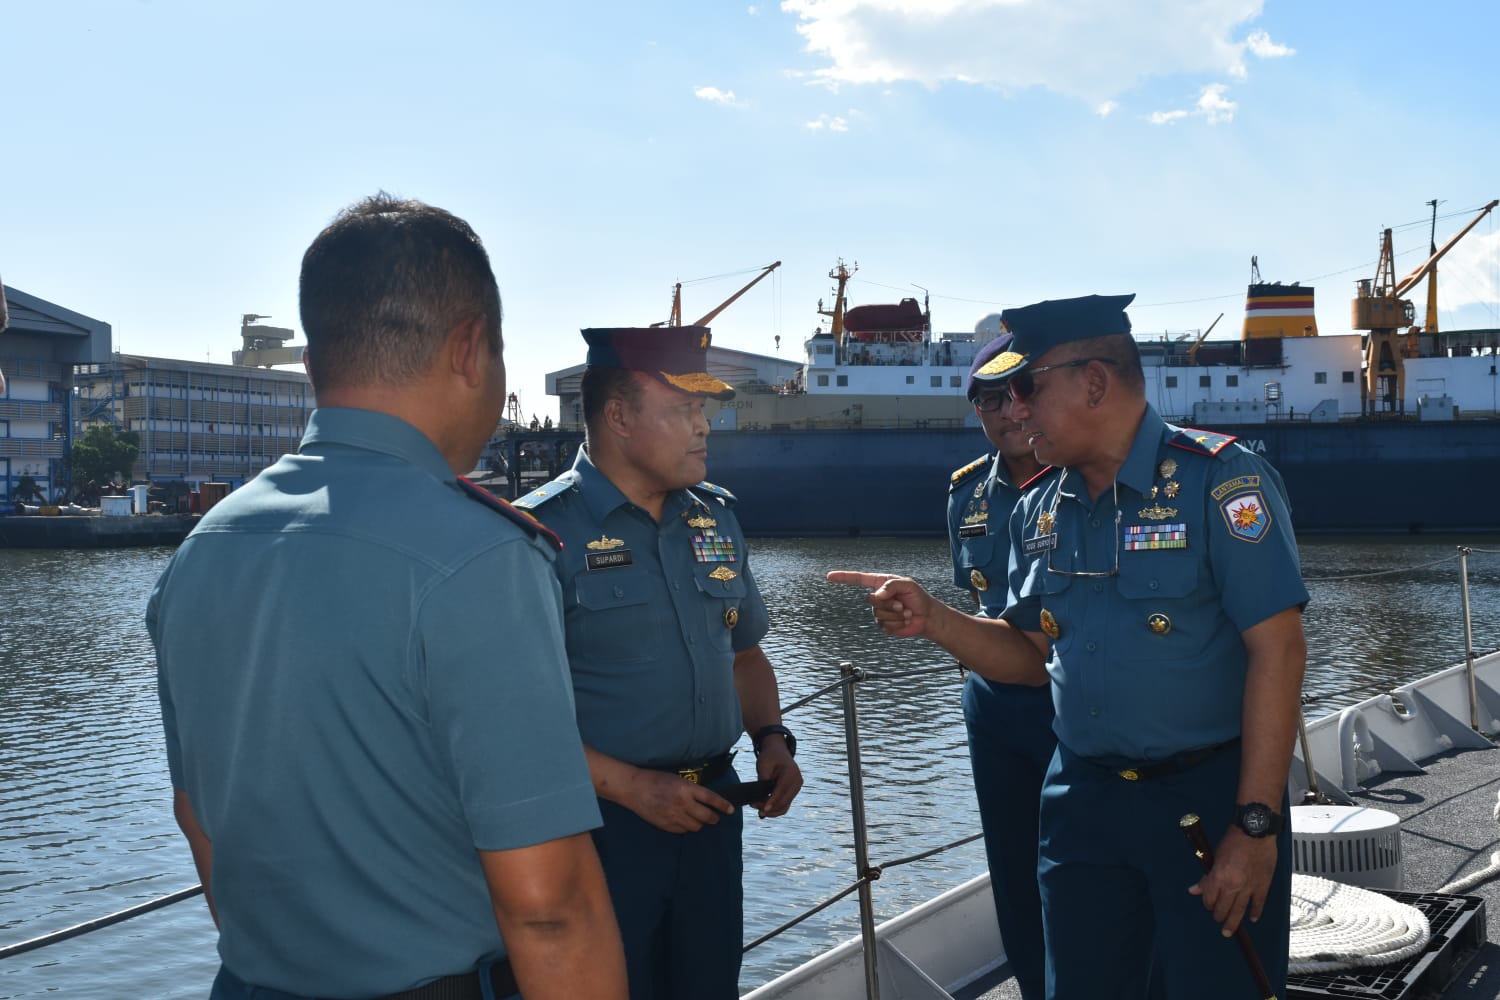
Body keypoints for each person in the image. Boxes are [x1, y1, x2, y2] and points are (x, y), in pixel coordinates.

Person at [148, 194, 626, 1000]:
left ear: (312, 365)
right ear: (471, 347)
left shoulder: (202, 551)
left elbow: (199, 824)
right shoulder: (480, 558)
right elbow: (549, 905)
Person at [831, 293, 1307, 1000]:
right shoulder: (1039, 509)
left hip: (1207, 800)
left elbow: (1280, 652)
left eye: (1028, 387)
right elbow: (1029, 658)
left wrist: (1256, 827)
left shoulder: (1220, 481)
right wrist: (934, 619)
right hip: (1082, 802)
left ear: (1094, 382)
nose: (1014, 409)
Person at [514, 326, 804, 1000]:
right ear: (618, 416)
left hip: (713, 816)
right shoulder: (538, 536)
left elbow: (745, 654)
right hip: (598, 829)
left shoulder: (714, 519)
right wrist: (633, 789)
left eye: (703, 410)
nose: (704, 427)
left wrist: (771, 739)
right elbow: (512, 718)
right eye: (683, 410)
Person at [946, 332, 1053, 1000]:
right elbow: (979, 605)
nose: (1010, 411)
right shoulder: (967, 496)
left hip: (1075, 705)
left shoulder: (1083, 480)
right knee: (1015, 875)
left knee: (1094, 871)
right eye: (991, 400)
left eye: (1022, 392)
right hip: (999, 714)